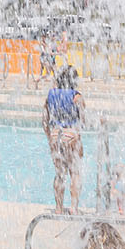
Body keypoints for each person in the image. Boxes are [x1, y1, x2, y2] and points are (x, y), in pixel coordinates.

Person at [44, 66, 84, 212]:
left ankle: (59, 208)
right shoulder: (76, 96)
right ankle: (73, 207)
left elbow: (44, 119)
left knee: (59, 173)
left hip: (55, 135)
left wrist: (49, 136)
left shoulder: (51, 94)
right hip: (71, 134)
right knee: (75, 172)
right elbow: (82, 120)